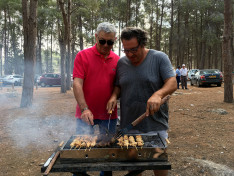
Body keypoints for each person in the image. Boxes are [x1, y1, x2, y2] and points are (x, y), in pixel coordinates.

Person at [107, 27, 177, 176]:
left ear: (143, 43)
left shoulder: (159, 58)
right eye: (126, 50)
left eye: (134, 49)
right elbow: (119, 85)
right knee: (134, 167)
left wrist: (158, 94)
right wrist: (114, 96)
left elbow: (172, 82)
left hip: (155, 124)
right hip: (129, 124)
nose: (130, 54)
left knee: (159, 163)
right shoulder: (122, 63)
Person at [72, 22, 119, 176]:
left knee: (107, 157)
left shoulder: (118, 60)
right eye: (102, 41)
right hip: (85, 114)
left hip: (109, 115)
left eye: (110, 42)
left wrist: (113, 96)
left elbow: (118, 85)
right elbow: (77, 83)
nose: (106, 45)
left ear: (115, 40)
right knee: (81, 154)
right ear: (96, 37)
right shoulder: (83, 56)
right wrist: (85, 108)